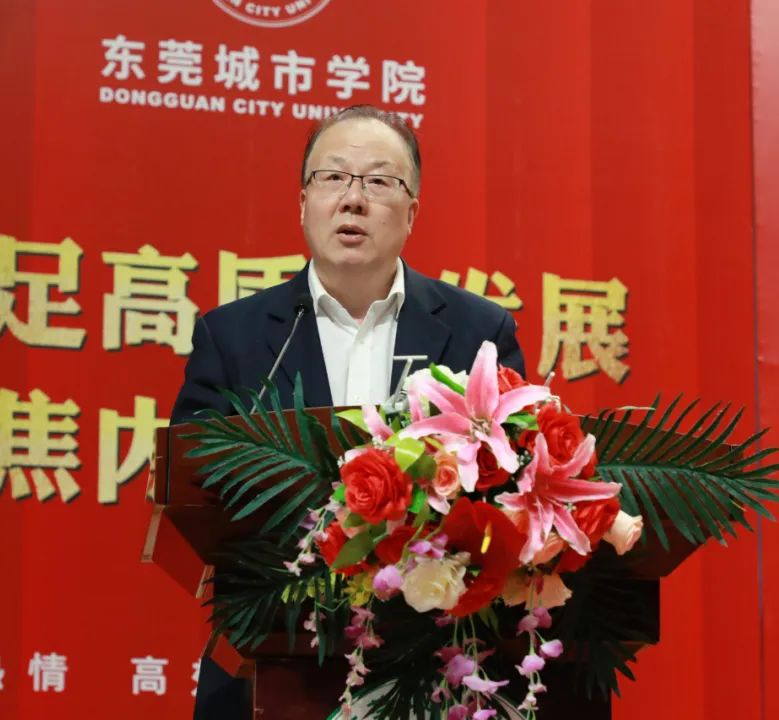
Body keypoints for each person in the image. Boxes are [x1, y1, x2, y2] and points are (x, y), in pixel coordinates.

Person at [174, 105, 526, 720]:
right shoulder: (234, 337)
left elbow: (510, 484)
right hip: (272, 655)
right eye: (333, 177)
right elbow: (193, 484)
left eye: (380, 181)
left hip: (431, 660)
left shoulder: (478, 332)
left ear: (411, 213)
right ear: (303, 203)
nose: (353, 199)